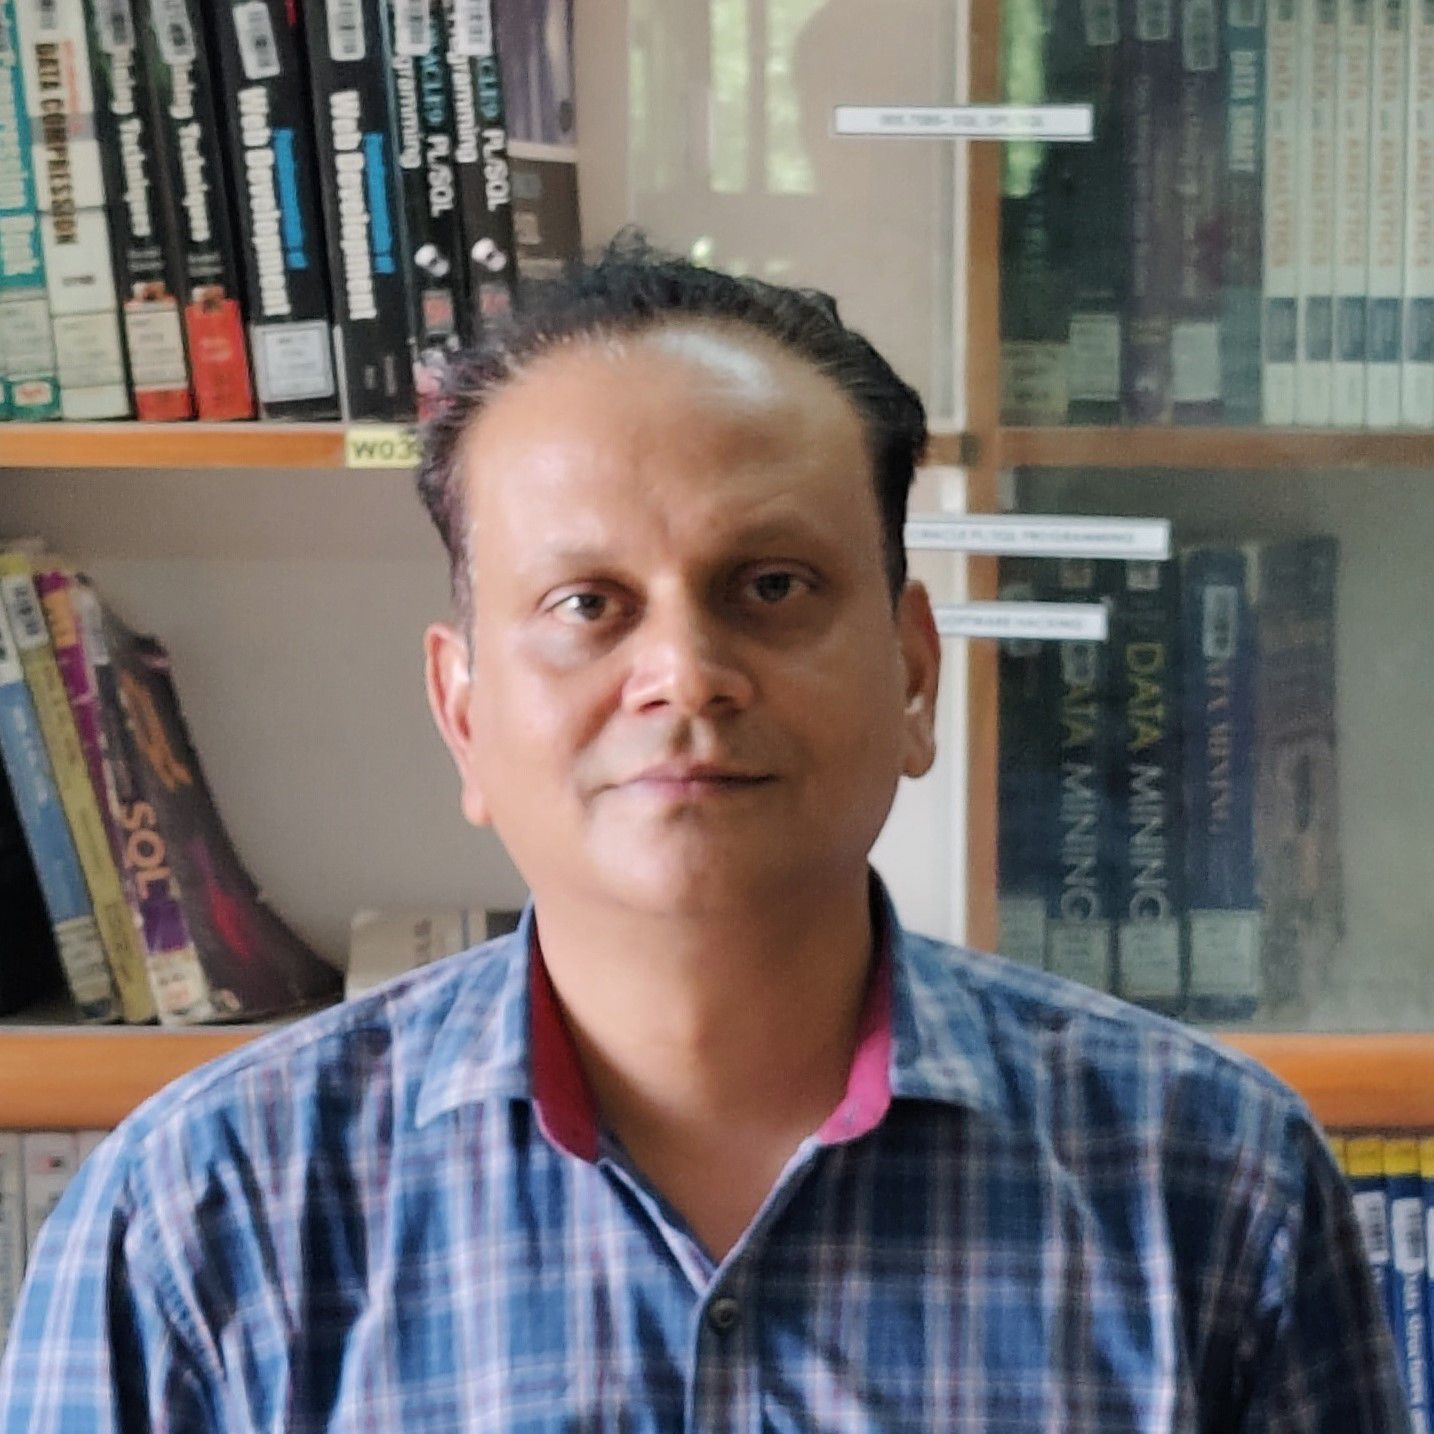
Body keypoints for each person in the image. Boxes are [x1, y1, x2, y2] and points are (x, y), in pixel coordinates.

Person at [0, 242, 1408, 1432]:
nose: (685, 675)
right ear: (464, 711)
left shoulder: (1213, 1186)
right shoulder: (196, 1223)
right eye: (587, 605)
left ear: (915, 674)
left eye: (771, 585)